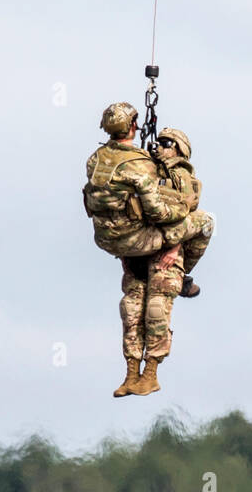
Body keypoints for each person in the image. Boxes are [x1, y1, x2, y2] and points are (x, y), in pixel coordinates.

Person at [83, 102, 189, 397]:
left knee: (133, 307)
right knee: (202, 222)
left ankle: (136, 375)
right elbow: (158, 213)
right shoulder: (141, 165)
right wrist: (178, 220)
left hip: (113, 242)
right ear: (133, 126)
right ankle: (143, 374)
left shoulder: (94, 161)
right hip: (141, 241)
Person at [153, 127, 214, 298]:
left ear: (178, 149)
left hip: (169, 234)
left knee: (207, 222)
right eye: (159, 143)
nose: (159, 147)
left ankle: (179, 270)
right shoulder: (145, 168)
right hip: (145, 234)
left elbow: (187, 212)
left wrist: (175, 247)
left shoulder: (182, 175)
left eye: (165, 144)